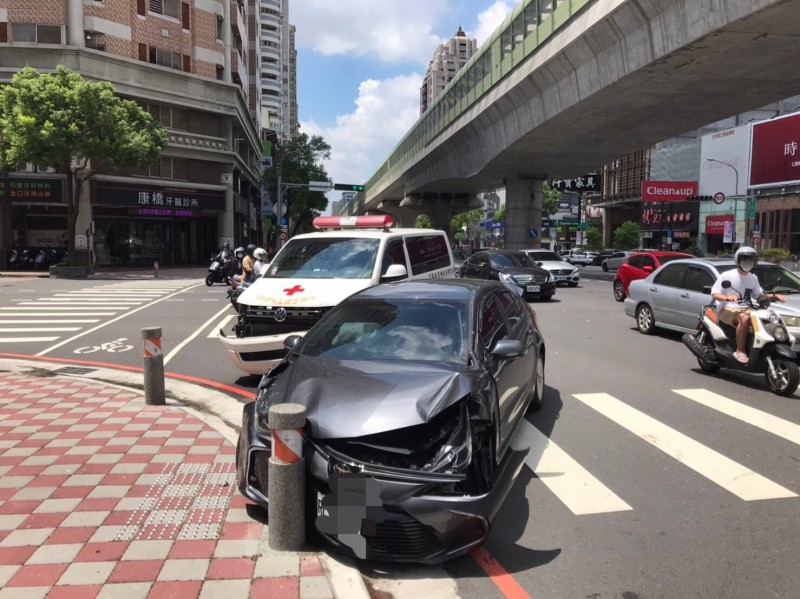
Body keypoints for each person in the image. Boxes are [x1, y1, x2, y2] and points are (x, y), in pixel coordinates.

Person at [710, 246, 785, 364]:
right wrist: (727, 298)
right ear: (738, 261)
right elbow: (714, 293)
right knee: (744, 318)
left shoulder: (752, 277)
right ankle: (740, 351)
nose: (748, 262)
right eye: (745, 259)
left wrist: (773, 296)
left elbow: (758, 295)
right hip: (727, 308)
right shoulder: (727, 275)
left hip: (746, 307)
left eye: (751, 260)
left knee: (767, 316)